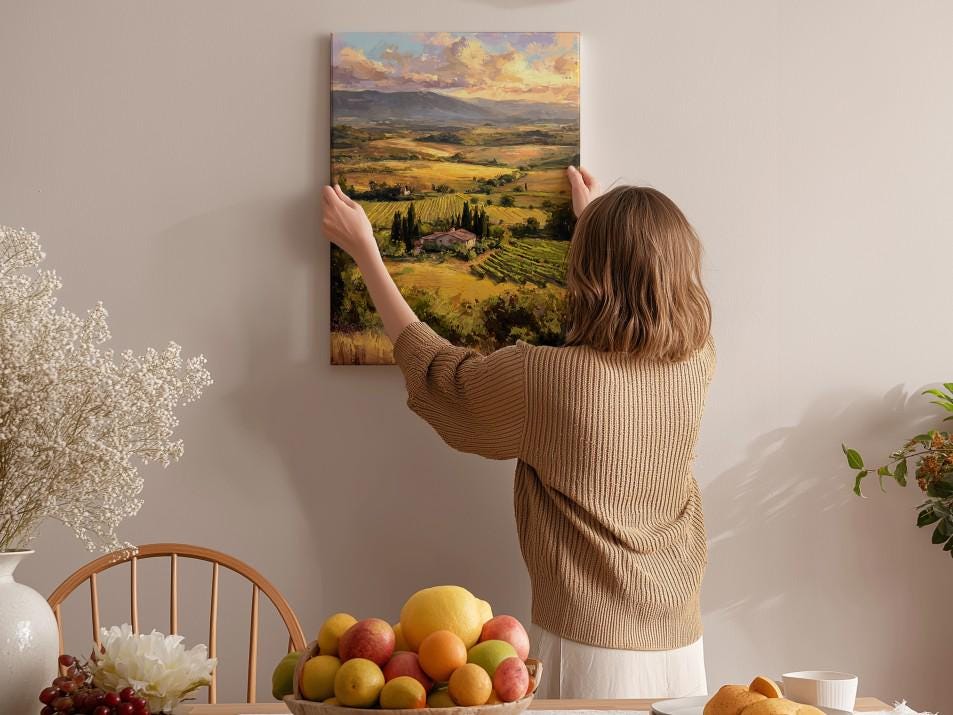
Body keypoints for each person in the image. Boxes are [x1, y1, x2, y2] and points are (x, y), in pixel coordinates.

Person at [321, 166, 715, 699]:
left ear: (588, 271)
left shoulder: (546, 378)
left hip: (589, 645)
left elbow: (441, 374)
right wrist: (595, 223)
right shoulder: (697, 360)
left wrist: (365, 249)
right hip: (682, 644)